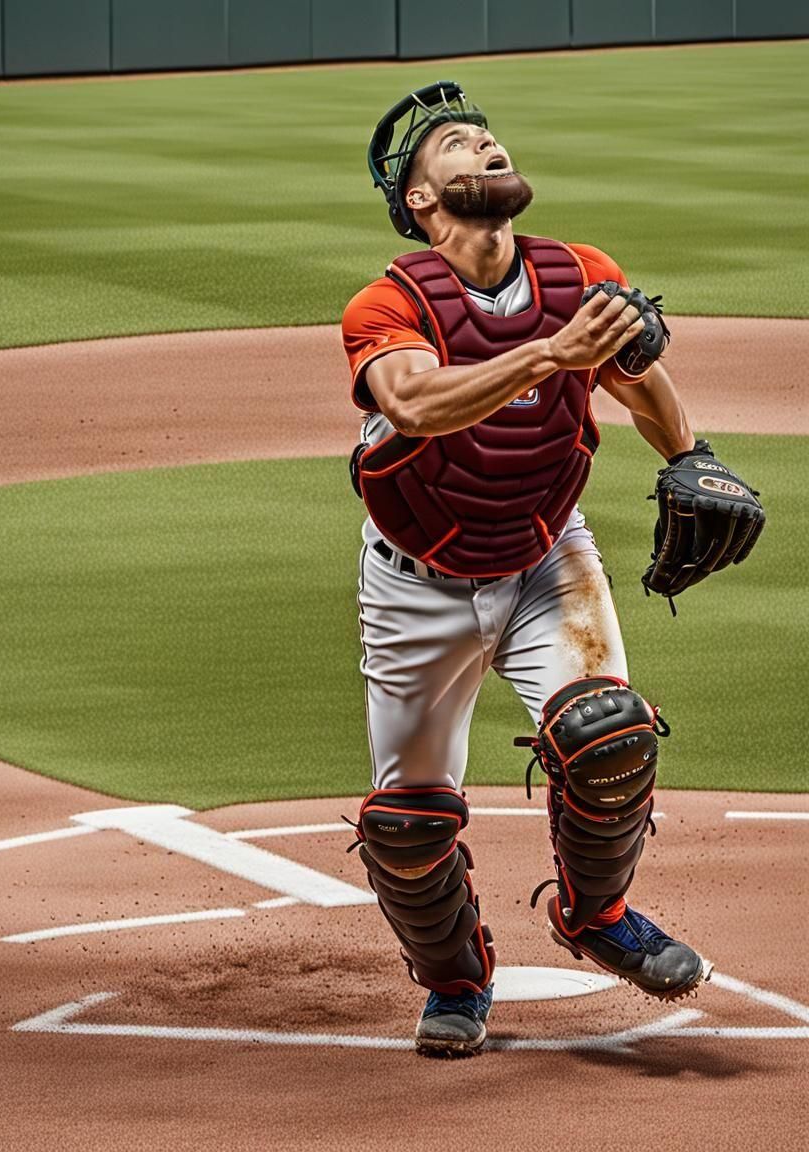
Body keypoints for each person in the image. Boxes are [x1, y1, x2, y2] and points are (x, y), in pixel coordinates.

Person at [338, 82, 763, 1057]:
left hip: (542, 559)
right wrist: (548, 353)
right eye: (453, 145)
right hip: (414, 585)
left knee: (606, 732)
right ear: (421, 203)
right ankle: (454, 981)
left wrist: (685, 455)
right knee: (406, 827)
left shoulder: (577, 276)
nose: (482, 145)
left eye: (487, 137)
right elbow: (412, 406)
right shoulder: (387, 304)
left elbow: (633, 379)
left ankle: (596, 914)